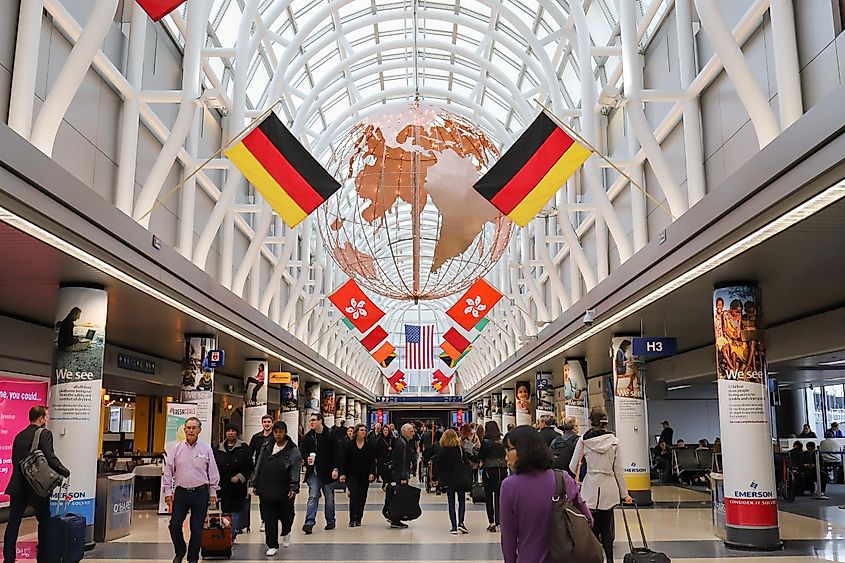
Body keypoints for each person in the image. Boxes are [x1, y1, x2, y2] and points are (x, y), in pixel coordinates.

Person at [501, 425, 593, 563]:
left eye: (509, 449)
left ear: (523, 449)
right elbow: (588, 519)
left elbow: (508, 538)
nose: (506, 455)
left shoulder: (509, 486)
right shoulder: (563, 478)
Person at [4, 406, 70, 563]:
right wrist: (64, 471)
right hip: (37, 486)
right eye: (46, 417)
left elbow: (15, 461)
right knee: (44, 519)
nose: (46, 420)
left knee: (13, 523)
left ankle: (9, 559)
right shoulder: (44, 434)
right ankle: (44, 557)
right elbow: (50, 457)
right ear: (40, 418)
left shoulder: (19, 436)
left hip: (18, 484)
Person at [570, 407, 633, 563]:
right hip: (609, 487)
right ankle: (610, 559)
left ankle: (594, 558)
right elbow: (618, 471)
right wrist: (624, 494)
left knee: (592, 527)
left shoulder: (583, 440)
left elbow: (573, 466)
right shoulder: (614, 442)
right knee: (607, 527)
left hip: (590, 487)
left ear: (591, 421)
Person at [163, 416, 220, 563]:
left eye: (194, 428)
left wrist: (213, 492)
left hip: (200, 493)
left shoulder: (206, 448)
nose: (191, 430)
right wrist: (167, 492)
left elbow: (213, 471)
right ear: (184, 429)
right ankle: (180, 550)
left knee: (197, 529)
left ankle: (193, 558)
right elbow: (168, 471)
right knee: (174, 525)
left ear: (199, 430)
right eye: (188, 428)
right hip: (181, 493)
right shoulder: (176, 449)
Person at [252, 421, 300, 556]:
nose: (278, 434)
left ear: (285, 432)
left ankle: (286, 531)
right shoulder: (266, 446)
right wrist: (256, 483)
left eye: (280, 431)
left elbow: (295, 470)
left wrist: (294, 487)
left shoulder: (293, 450)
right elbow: (259, 464)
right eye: (275, 432)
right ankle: (272, 544)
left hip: (284, 488)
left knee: (287, 515)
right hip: (267, 487)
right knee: (269, 518)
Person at [299, 413, 340, 534]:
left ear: (320, 421)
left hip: (328, 471)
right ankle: (309, 522)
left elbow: (337, 453)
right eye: (309, 420)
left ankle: (330, 520)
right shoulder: (308, 437)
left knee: (329, 498)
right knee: (313, 496)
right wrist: (307, 458)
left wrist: (336, 469)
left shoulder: (331, 434)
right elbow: (303, 451)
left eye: (313, 420)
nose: (310, 422)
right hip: (314, 472)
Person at [214, 424, 253, 537]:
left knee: (235, 511)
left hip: (237, 486)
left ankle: (232, 534)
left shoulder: (244, 448)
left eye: (233, 430)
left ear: (237, 433)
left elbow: (249, 466)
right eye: (228, 431)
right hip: (222, 485)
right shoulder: (218, 448)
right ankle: (225, 533)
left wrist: (240, 477)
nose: (230, 433)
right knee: (224, 510)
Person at [432, 429, 471, 534]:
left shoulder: (442, 451)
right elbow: (467, 464)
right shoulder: (460, 450)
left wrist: (434, 478)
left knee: (451, 502)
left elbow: (437, 466)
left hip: (448, 480)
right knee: (462, 501)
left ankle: (453, 526)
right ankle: (461, 523)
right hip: (461, 478)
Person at [339, 424, 376, 527]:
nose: (363, 432)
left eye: (365, 430)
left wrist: (372, 473)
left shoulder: (369, 444)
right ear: (357, 432)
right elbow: (344, 459)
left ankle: (359, 517)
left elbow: (372, 460)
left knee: (362, 496)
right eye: (361, 430)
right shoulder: (349, 444)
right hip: (352, 474)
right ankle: (352, 519)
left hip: (365, 474)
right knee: (354, 496)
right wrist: (343, 474)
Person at [478, 421, 507, 532]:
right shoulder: (501, 441)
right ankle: (500, 520)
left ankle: (492, 522)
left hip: (489, 470)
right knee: (500, 496)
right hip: (502, 469)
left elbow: (481, 455)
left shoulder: (485, 442)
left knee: (489, 496)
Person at [248, 414, 275, 533]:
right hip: (261, 472)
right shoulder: (256, 438)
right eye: (264, 422)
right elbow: (250, 453)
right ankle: (264, 520)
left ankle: (273, 519)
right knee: (262, 497)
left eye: (269, 421)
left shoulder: (276, 437)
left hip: (275, 470)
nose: (267, 424)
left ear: (272, 423)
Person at [386, 423, 416, 529]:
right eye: (411, 431)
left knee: (399, 496)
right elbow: (401, 461)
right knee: (399, 497)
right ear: (405, 432)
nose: (413, 433)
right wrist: (403, 477)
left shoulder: (403, 442)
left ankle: (396, 517)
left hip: (400, 473)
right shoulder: (401, 443)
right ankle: (395, 519)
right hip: (400, 474)